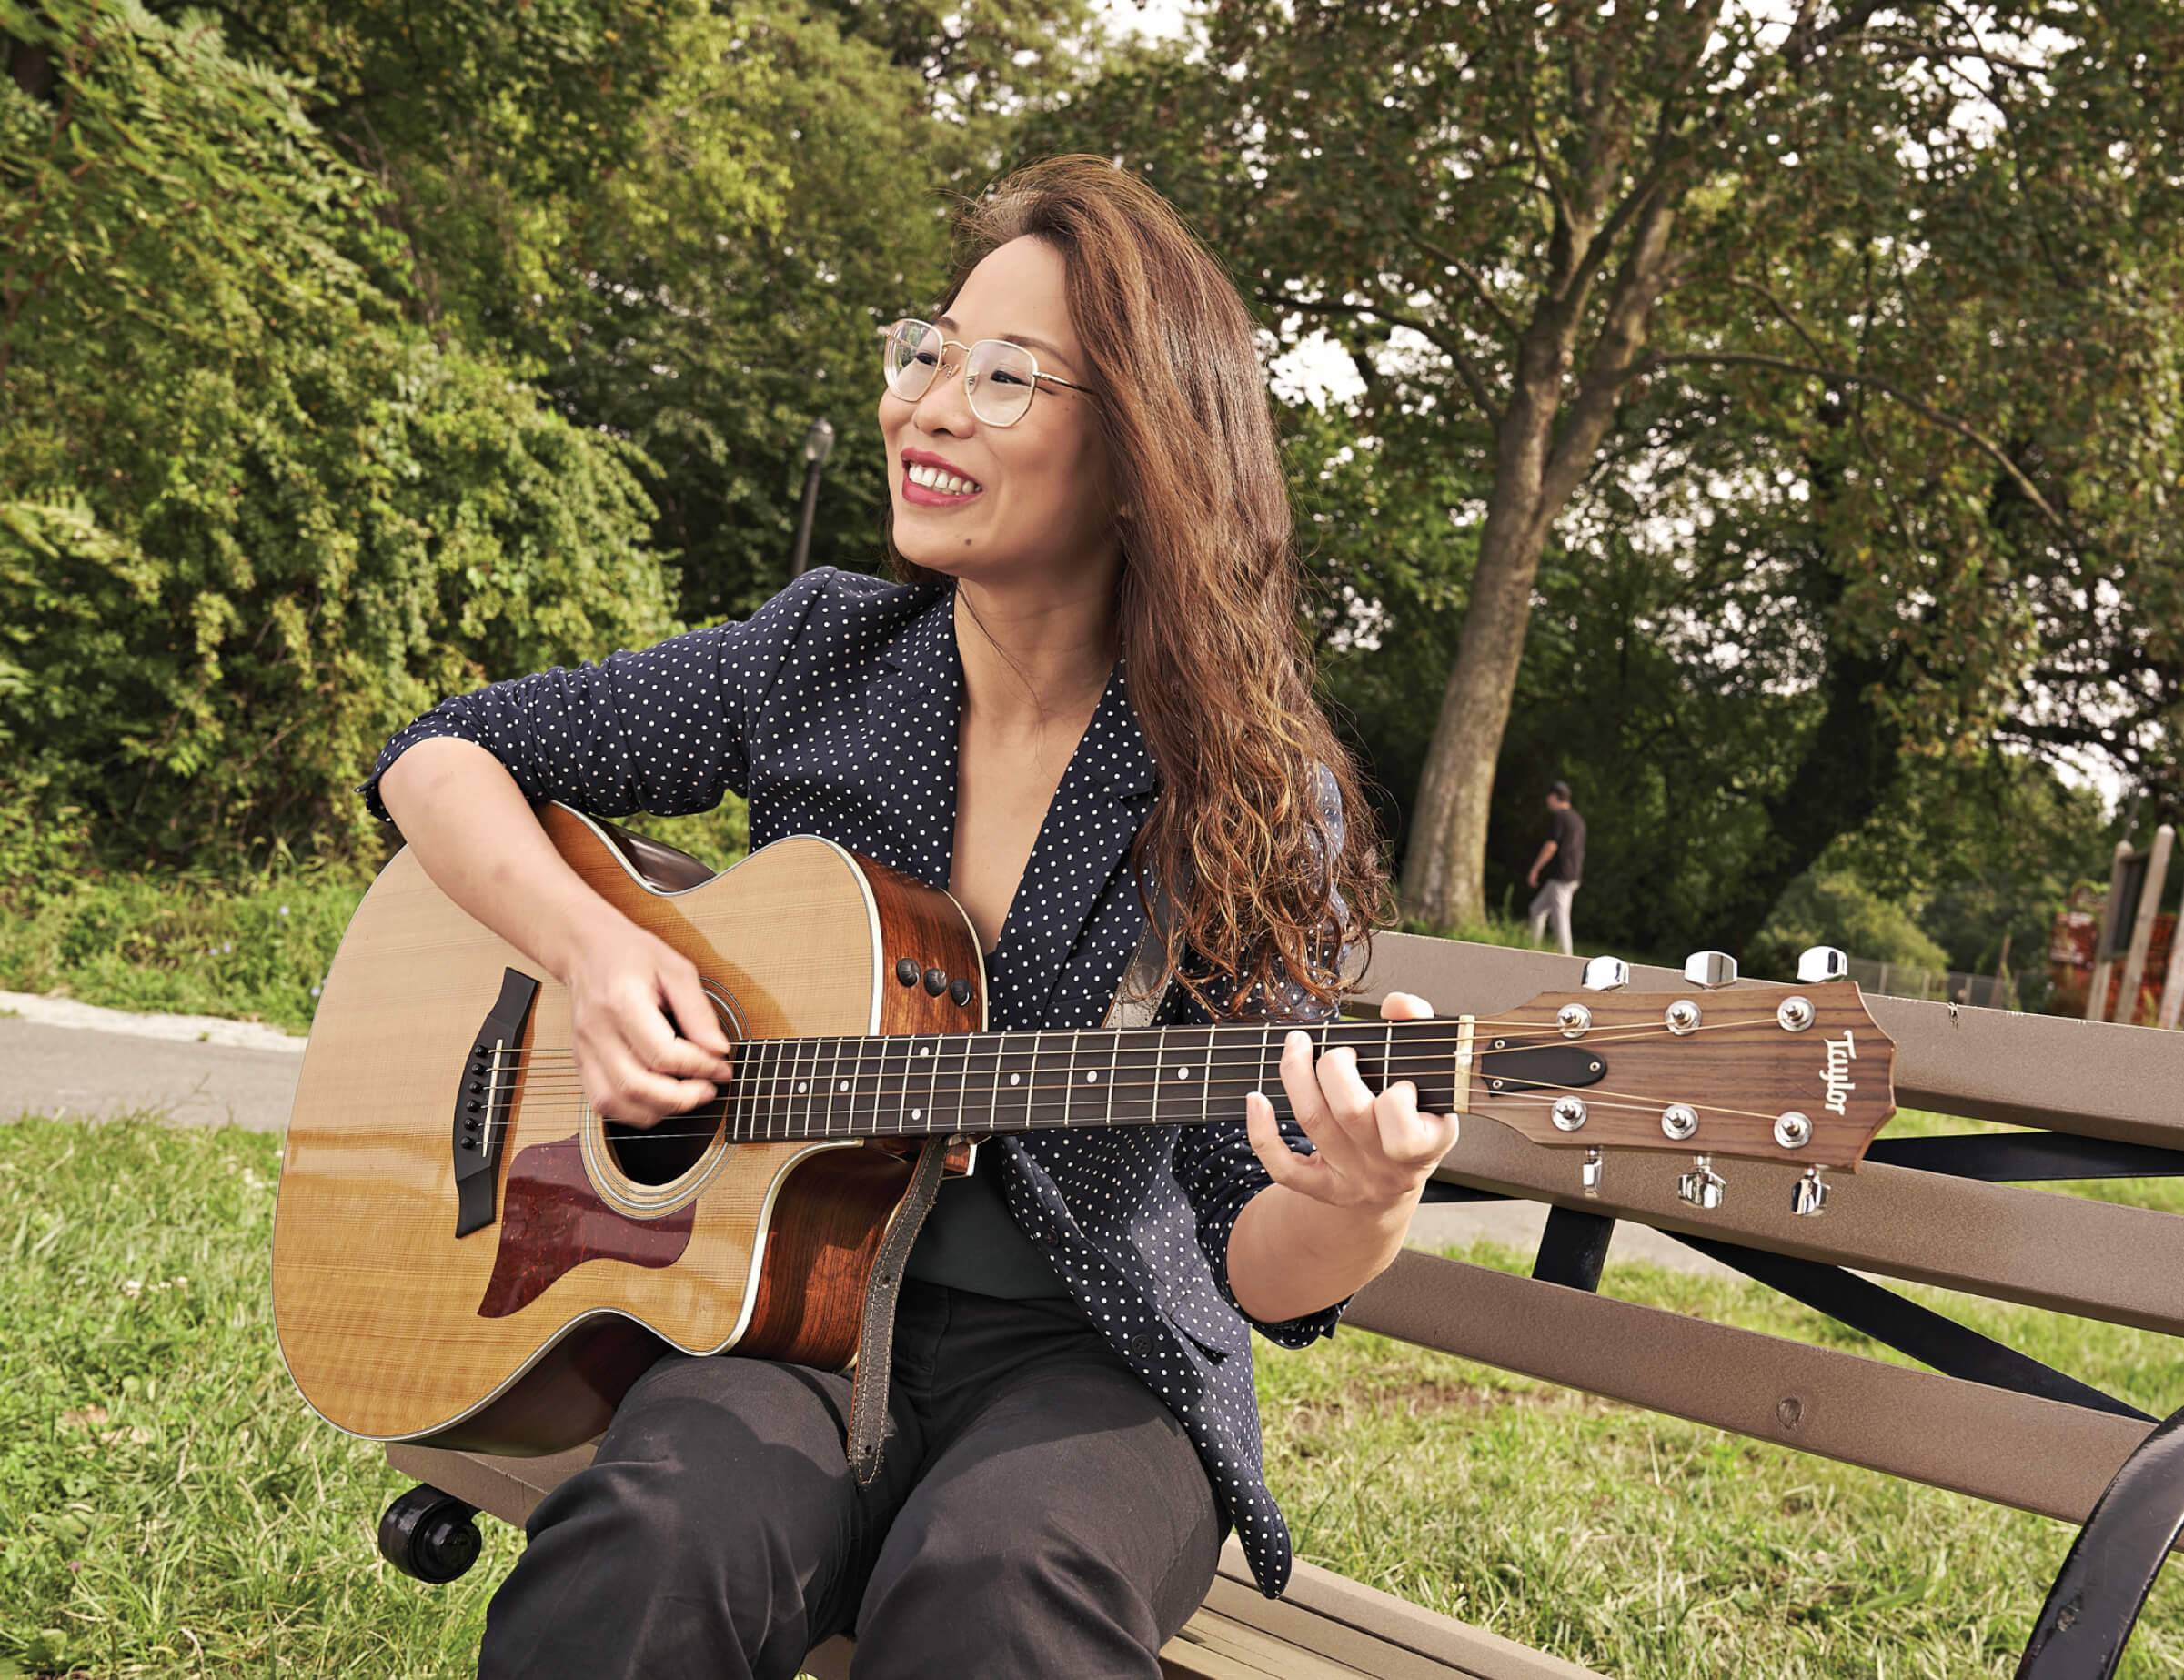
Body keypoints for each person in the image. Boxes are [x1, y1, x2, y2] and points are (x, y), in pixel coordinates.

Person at [366, 156, 1461, 1680]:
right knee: (651, 1546)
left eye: (1007, 377)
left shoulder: (1244, 794)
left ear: (1145, 453)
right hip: (786, 1328)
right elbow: (442, 753)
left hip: (1092, 1367)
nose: (931, 403)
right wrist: (595, 949)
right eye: (928, 350)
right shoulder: (826, 655)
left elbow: (1252, 1254)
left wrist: (1360, 1198)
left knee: (998, 1592)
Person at [1525, 781, 1585, 956]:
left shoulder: (1560, 817)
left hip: (1562, 878)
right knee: (1536, 910)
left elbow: (1551, 846)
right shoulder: (1577, 819)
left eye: (1548, 797)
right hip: (1570, 877)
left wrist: (1535, 869)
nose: (1547, 800)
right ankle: (1533, 951)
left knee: (1560, 922)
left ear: (1554, 797)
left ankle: (1568, 960)